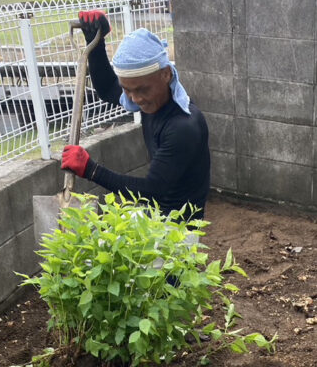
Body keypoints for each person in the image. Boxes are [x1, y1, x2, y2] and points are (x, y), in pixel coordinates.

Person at [60, 12, 211, 221]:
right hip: (156, 212)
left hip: (180, 227)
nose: (135, 99)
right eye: (127, 90)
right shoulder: (153, 100)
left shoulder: (183, 126)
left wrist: (91, 170)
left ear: (166, 74)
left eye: (141, 90)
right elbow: (107, 88)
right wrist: (95, 41)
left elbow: (152, 190)